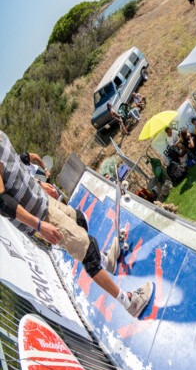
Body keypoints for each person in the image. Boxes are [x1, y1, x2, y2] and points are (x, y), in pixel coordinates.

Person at [0, 131, 153, 318]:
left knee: (79, 219)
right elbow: (3, 202)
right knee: (87, 251)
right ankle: (130, 302)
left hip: (43, 199)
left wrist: (39, 184)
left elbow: (14, 168)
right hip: (39, 215)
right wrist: (39, 226)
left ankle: (108, 262)